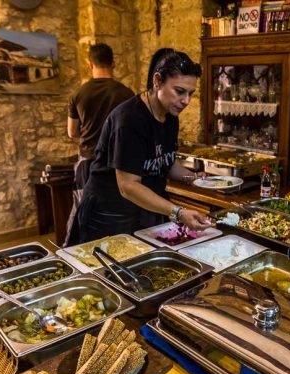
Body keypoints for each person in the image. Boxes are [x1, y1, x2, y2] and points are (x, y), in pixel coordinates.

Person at [75, 51, 211, 243]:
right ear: (157, 81)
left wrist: (194, 179)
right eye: (180, 91)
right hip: (109, 212)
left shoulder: (170, 116)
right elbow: (128, 186)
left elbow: (166, 163)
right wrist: (178, 212)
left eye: (190, 94)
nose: (186, 101)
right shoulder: (129, 120)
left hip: (142, 209)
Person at [64, 43, 133, 246]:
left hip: (88, 161)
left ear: (89, 64)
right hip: (117, 162)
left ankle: (75, 252)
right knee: (116, 212)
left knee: (83, 210)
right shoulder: (127, 94)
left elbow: (72, 132)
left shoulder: (78, 94)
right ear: (114, 63)